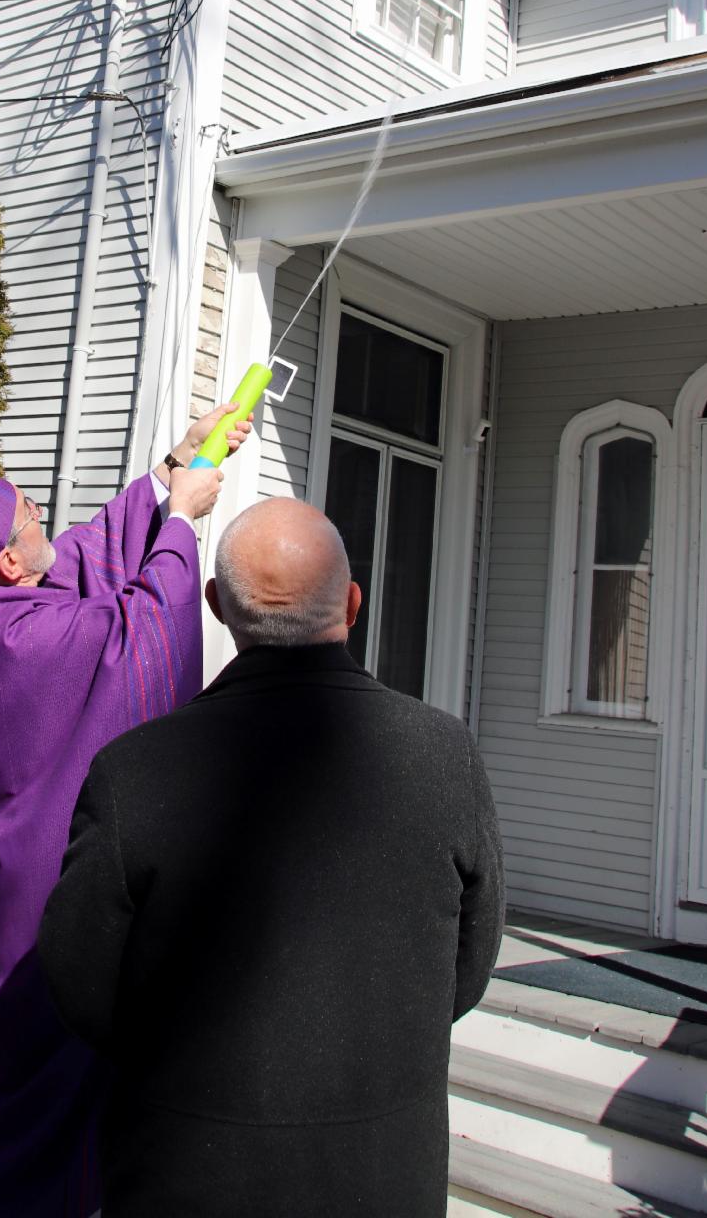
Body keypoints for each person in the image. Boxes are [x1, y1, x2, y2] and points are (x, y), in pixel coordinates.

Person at [38, 495, 506, 1218]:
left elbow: (80, 975)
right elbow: (470, 965)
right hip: (385, 1167)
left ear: (215, 605)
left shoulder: (135, 768)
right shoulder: (445, 755)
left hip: (187, 1165)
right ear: (352, 604)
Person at [0, 405, 249, 1218]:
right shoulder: (22, 639)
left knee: (2, 1094)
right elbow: (141, 631)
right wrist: (181, 522)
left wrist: (175, 463)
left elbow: (84, 553)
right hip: (42, 900)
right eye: (29, 513)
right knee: (34, 1111)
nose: (47, 512)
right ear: (9, 561)